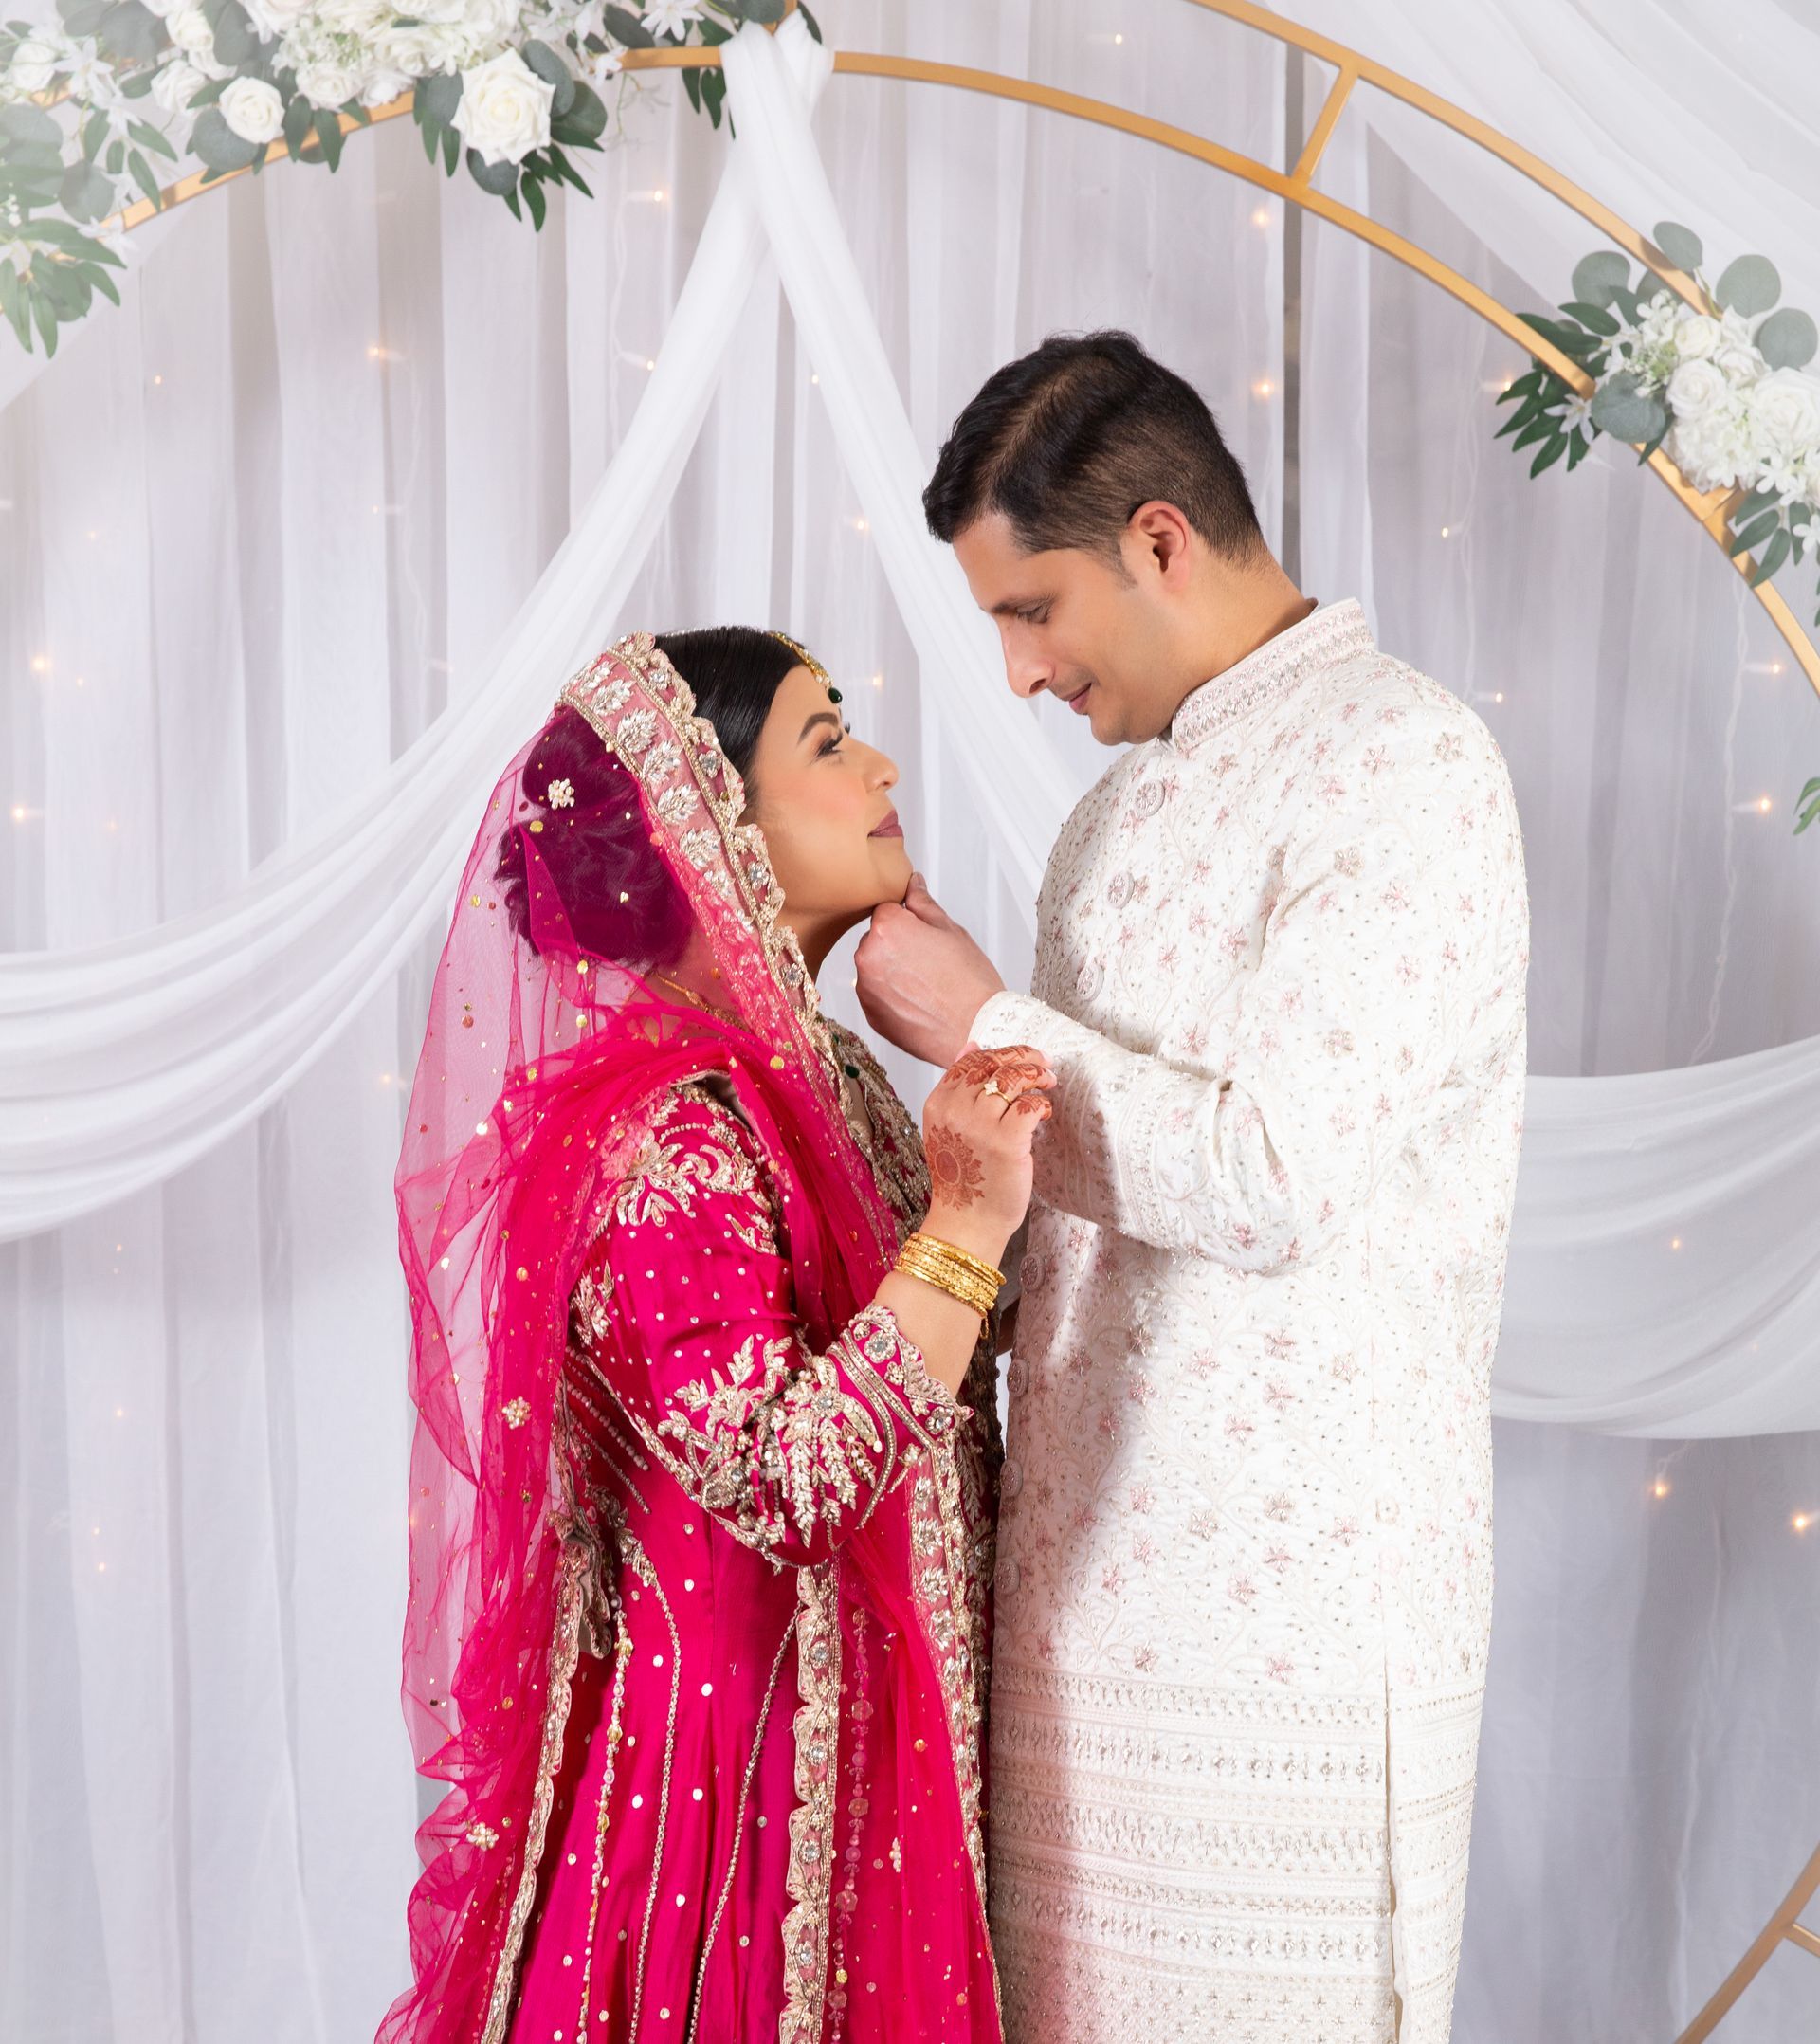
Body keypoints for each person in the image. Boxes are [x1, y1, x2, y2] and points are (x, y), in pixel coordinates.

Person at [855, 333, 1531, 2042]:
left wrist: (980, 1021)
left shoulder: (1407, 762)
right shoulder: (1112, 820)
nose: (1016, 675)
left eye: (1033, 611)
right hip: (1073, 1609)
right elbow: (1073, 1205)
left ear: (1159, 540)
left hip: (1294, 1634)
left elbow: (1270, 1177)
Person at [382, 626, 1057, 2044]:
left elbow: (956, 1391)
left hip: (878, 1768)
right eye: (824, 742)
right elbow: (788, 1481)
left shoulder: (835, 1087)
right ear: (704, 828)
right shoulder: (667, 1131)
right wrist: (969, 1225)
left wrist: (982, 1043)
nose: (880, 765)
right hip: (737, 1815)